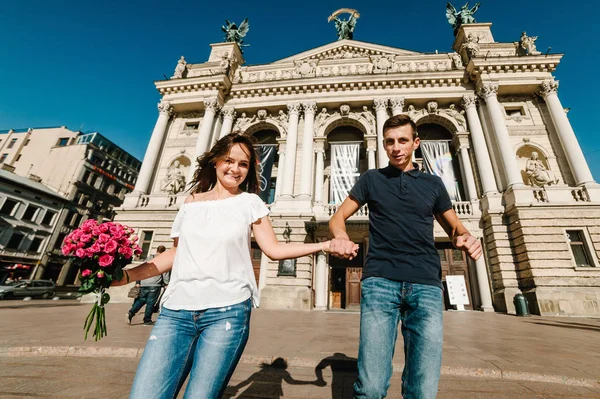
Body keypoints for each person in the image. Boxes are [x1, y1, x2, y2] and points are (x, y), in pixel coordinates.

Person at [113, 132, 359, 399]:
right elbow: (176, 252)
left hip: (226, 313)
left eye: (243, 164)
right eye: (229, 160)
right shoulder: (191, 202)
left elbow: (274, 250)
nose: (236, 169)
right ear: (216, 161)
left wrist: (324, 245)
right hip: (175, 313)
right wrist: (126, 276)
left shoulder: (251, 203)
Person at [328, 114, 482, 399]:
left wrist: (466, 238)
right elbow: (338, 217)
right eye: (390, 142)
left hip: (425, 285)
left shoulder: (434, 184)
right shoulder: (371, 179)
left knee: (423, 390)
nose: (396, 147)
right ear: (384, 145)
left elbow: (455, 227)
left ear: (416, 143)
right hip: (379, 283)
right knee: (371, 388)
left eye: (402, 140)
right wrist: (341, 235)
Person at [126, 245, 169, 325]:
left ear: (157, 250)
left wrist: (138, 282)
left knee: (142, 300)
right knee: (150, 302)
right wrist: (166, 283)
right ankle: (147, 320)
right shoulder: (163, 260)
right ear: (164, 252)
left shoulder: (148, 258)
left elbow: (141, 269)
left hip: (144, 282)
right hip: (155, 284)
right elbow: (165, 273)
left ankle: (130, 313)